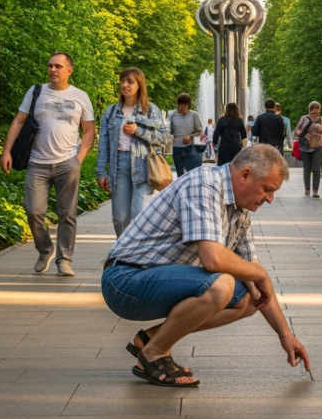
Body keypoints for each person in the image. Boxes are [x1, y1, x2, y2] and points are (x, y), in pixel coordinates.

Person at [101, 144, 310, 386]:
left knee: (251, 297)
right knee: (221, 285)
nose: (270, 199)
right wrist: (259, 273)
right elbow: (213, 259)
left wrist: (286, 335)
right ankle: (153, 355)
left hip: (157, 281)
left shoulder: (239, 213)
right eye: (267, 189)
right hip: (125, 281)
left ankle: (151, 341)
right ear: (245, 174)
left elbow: (257, 281)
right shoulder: (204, 184)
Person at [0, 52, 95, 277]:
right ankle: (45, 249)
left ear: (69, 70)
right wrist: (6, 151)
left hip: (67, 163)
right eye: (50, 66)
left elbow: (89, 131)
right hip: (37, 163)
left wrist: (78, 159)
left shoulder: (80, 96)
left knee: (67, 214)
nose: (53, 70)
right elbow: (19, 121)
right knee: (33, 211)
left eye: (58, 67)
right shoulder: (36, 92)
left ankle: (64, 260)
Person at [97, 68, 172, 238]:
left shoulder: (151, 110)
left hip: (144, 166)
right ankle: (123, 253)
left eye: (130, 81)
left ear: (139, 85)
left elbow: (164, 138)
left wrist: (138, 130)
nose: (125, 85)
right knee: (120, 218)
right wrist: (101, 171)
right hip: (119, 166)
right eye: (123, 81)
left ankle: (138, 256)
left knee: (140, 215)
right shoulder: (111, 112)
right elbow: (104, 143)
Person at [294, 102, 322, 197]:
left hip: (318, 146)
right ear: (309, 111)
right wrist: (301, 133)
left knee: (316, 168)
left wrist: (320, 135)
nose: (315, 115)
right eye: (313, 113)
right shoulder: (304, 118)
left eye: (317, 113)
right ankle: (307, 189)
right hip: (305, 146)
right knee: (307, 168)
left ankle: (315, 190)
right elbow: (297, 130)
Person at [168, 93, 203, 177]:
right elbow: (170, 131)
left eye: (185, 107)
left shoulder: (194, 115)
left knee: (190, 174)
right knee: (180, 174)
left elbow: (200, 131)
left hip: (190, 148)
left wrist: (190, 136)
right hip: (177, 148)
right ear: (178, 105)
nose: (183, 109)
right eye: (181, 106)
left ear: (188, 105)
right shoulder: (172, 116)